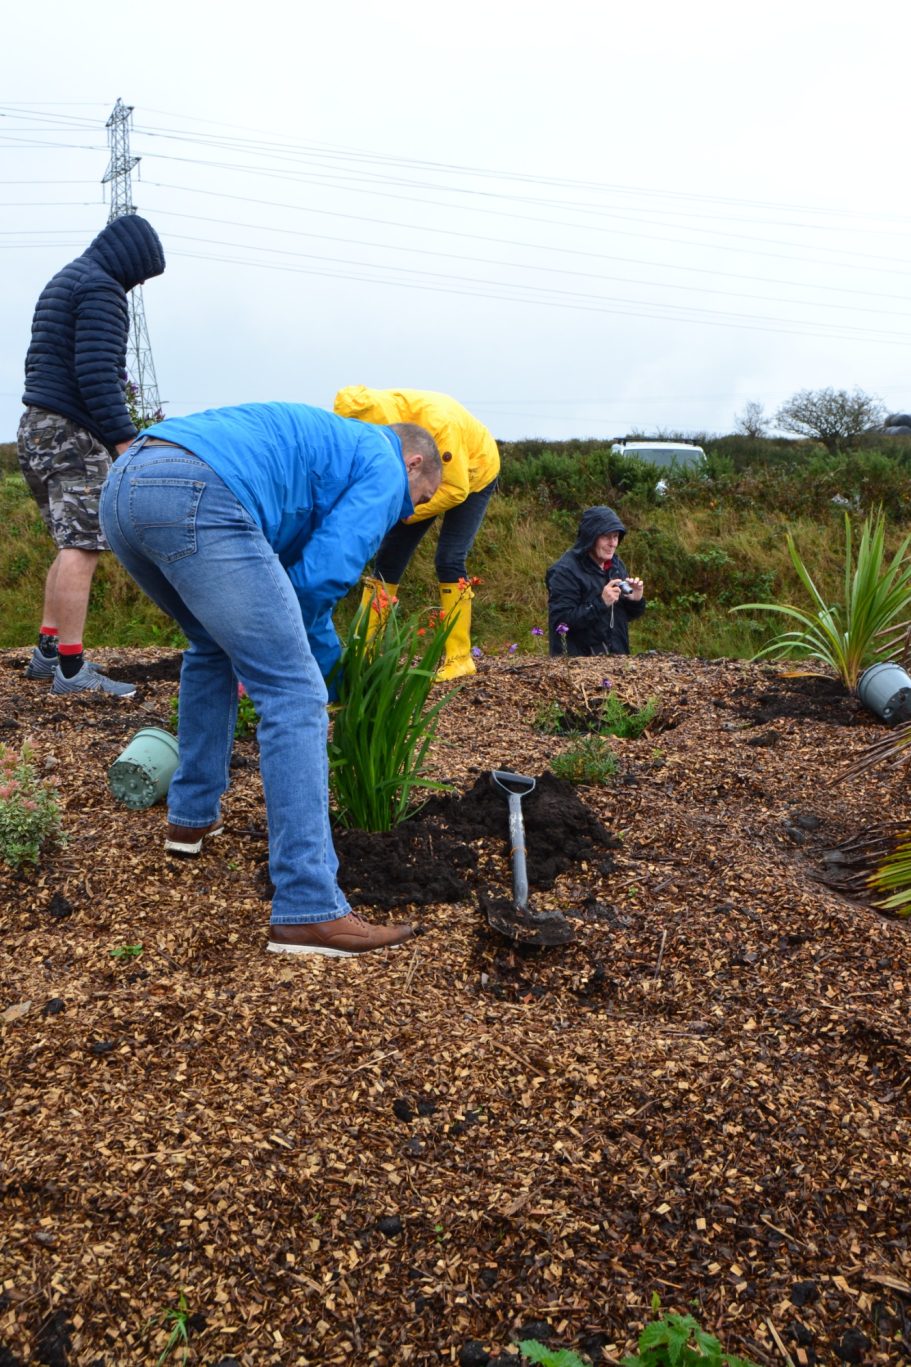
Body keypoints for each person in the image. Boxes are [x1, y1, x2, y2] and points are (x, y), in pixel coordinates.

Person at [99, 402, 442, 957]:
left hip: (125, 488)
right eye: (419, 500)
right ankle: (309, 906)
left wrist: (314, 649)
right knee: (293, 693)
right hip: (197, 491)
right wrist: (326, 681)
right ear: (415, 462)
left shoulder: (332, 448)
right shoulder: (383, 464)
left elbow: (286, 585)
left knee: (211, 646)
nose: (408, 514)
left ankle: (190, 818)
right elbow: (320, 579)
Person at [17, 214, 167, 697]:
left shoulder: (65, 279)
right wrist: (127, 443)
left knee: (68, 541)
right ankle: (71, 669)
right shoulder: (103, 289)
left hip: (36, 426)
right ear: (130, 260)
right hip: (71, 432)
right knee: (83, 545)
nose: (137, 284)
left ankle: (47, 650)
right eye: (140, 275)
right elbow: (99, 374)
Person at [333, 387, 500, 680]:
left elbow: (455, 490)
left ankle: (460, 658)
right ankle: (366, 653)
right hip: (423, 471)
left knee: (449, 558)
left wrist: (404, 512)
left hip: (472, 474)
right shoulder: (373, 419)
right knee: (387, 560)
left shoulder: (438, 423)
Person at [545, 506, 646, 656]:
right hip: (577, 666)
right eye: (606, 537)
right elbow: (561, 624)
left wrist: (635, 600)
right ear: (590, 537)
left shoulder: (616, 566)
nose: (613, 543)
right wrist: (600, 603)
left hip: (617, 660)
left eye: (616, 536)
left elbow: (621, 616)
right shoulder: (564, 571)